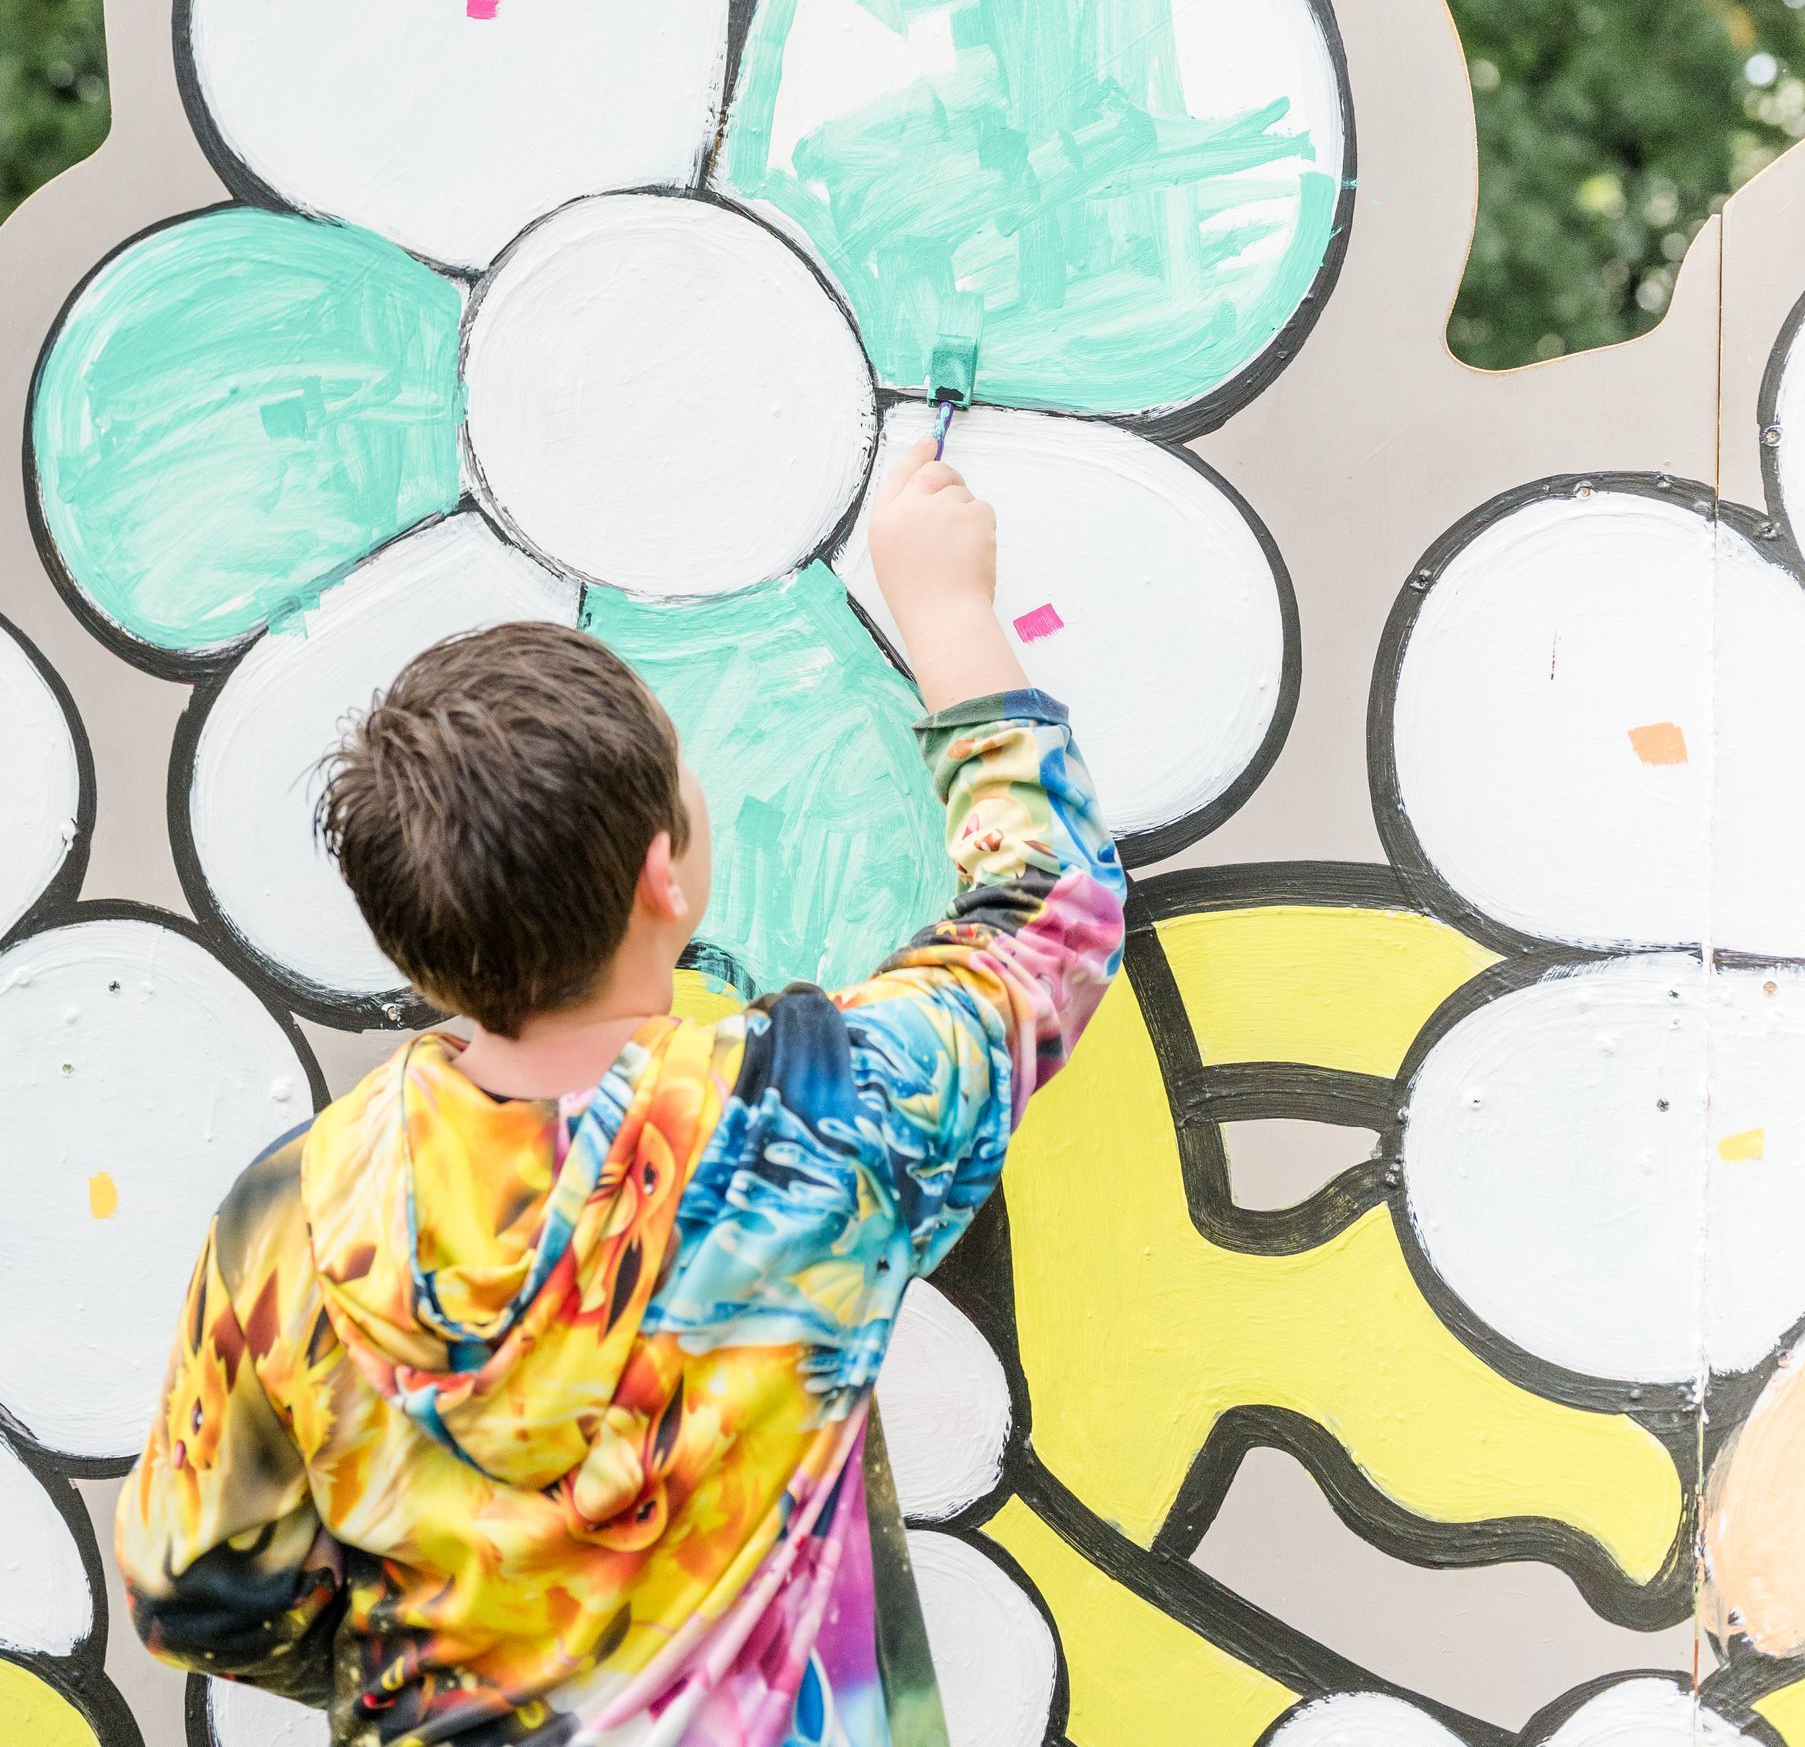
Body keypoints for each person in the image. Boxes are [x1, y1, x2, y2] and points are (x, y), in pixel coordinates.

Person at [116, 441, 1125, 1746]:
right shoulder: (809, 1123)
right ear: (666, 874)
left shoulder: (289, 1224)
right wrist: (944, 610)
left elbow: (196, 1592)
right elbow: (1051, 921)